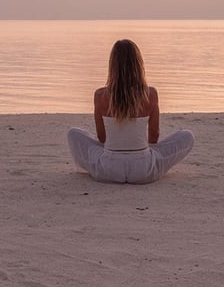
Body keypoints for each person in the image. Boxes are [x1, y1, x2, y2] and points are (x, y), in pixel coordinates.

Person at [68, 39, 194, 183]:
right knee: (187, 136)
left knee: (74, 134)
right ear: (138, 64)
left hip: (108, 170)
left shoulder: (100, 95)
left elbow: (102, 138)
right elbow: (153, 137)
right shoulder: (150, 94)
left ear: (112, 65)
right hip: (143, 170)